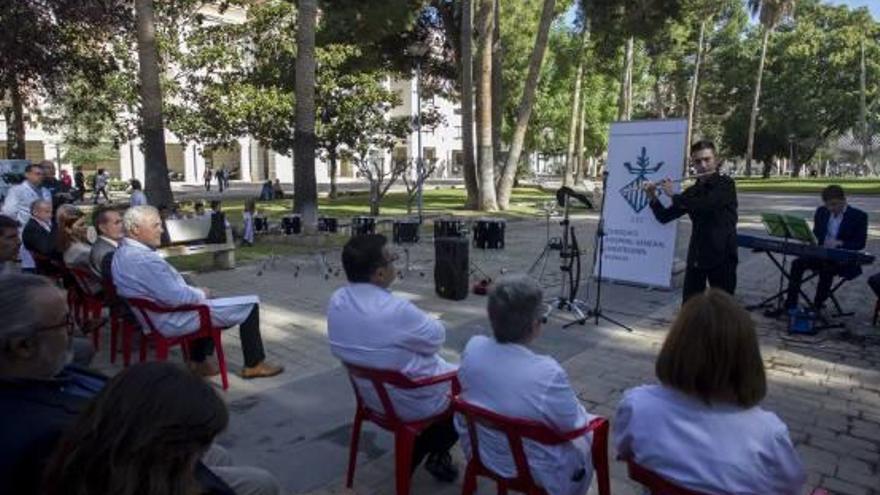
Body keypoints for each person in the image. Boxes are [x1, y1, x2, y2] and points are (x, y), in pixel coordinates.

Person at [0, 275, 274, 495]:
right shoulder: (33, 436)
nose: (79, 331)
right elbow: (111, 475)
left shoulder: (48, 369)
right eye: (65, 323)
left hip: (144, 442)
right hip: (145, 463)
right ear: (23, 346)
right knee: (260, 482)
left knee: (219, 454)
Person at [613, 289, 805, 494]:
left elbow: (626, 451)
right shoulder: (768, 434)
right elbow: (791, 487)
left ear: (675, 345)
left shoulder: (637, 405)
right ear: (746, 358)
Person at [327, 234, 459, 482]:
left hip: (371, 398)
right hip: (410, 400)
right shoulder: (397, 310)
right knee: (470, 393)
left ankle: (425, 451)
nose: (396, 264)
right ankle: (428, 451)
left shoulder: (337, 300)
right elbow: (437, 338)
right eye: (393, 259)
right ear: (378, 274)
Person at [43, 362, 282, 495]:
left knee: (220, 454)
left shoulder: (88, 450)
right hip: (173, 311)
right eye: (198, 444)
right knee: (261, 481)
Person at [456, 275, 597, 495]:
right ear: (534, 325)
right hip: (534, 470)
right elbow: (573, 425)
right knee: (590, 432)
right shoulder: (547, 373)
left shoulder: (473, 348)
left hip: (483, 452)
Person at [112, 205, 284, 379]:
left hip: (157, 316)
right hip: (171, 319)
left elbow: (167, 292)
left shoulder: (122, 253)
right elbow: (177, 298)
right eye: (155, 225)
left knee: (214, 304)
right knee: (250, 305)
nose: (161, 230)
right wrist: (201, 293)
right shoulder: (143, 260)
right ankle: (253, 365)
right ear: (135, 229)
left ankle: (198, 361)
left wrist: (195, 293)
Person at [644, 140, 738, 302]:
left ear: (716, 160)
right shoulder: (692, 191)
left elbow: (706, 205)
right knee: (689, 306)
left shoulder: (726, 185)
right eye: (698, 161)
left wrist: (673, 195)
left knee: (723, 308)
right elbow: (664, 217)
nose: (703, 165)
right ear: (693, 163)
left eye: (707, 160)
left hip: (722, 254)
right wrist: (652, 196)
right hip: (698, 255)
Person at [779, 185, 868, 313]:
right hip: (821, 254)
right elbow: (817, 235)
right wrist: (809, 239)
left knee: (827, 270)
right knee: (797, 264)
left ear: (844, 200)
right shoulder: (822, 211)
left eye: (834, 204)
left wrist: (840, 243)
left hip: (842, 259)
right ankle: (791, 303)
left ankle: (817, 305)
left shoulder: (859, 216)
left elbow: (860, 243)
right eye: (828, 205)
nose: (831, 209)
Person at [1, 164, 51, 272]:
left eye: (42, 174)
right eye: (37, 174)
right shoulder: (17, 191)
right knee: (28, 268)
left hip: (45, 235)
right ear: (27, 175)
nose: (40, 177)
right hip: (26, 234)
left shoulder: (45, 192)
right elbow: (9, 212)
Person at [21, 199, 57, 274]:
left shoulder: (43, 225)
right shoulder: (33, 228)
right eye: (47, 212)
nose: (50, 215)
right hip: (42, 268)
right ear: (35, 212)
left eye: (51, 212)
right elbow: (45, 249)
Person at [90, 208, 123, 280]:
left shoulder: (101, 244)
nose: (122, 225)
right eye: (117, 223)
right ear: (103, 228)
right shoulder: (107, 254)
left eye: (121, 221)